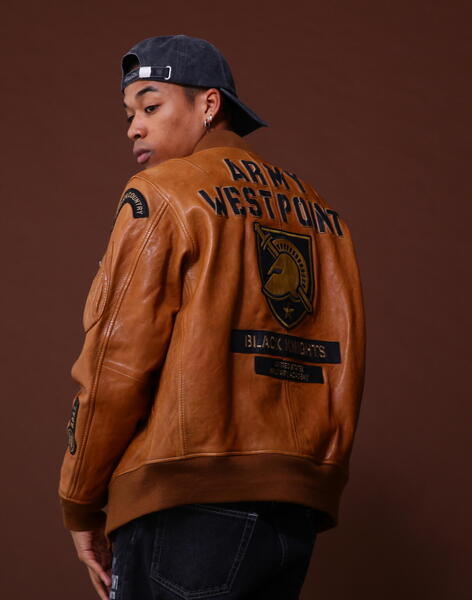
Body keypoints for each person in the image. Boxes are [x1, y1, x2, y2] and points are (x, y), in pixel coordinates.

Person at [57, 34, 367, 600]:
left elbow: (116, 366)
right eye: (129, 115)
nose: (133, 128)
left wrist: (79, 501)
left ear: (208, 104)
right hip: (295, 512)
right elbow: (342, 356)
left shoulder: (161, 195)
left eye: (151, 106)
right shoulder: (322, 215)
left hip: (183, 506)